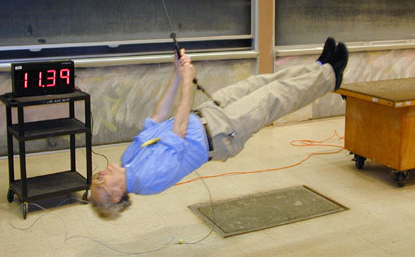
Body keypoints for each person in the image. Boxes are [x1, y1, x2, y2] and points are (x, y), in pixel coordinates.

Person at [90, 37, 348, 218]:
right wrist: (187, 83)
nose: (101, 173)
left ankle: (318, 67)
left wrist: (177, 75)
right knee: (274, 96)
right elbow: (178, 130)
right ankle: (331, 76)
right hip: (223, 133)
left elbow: (158, 118)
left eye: (97, 176)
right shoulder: (149, 180)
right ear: (115, 194)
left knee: (261, 82)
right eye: (101, 181)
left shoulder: (129, 159)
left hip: (208, 115)